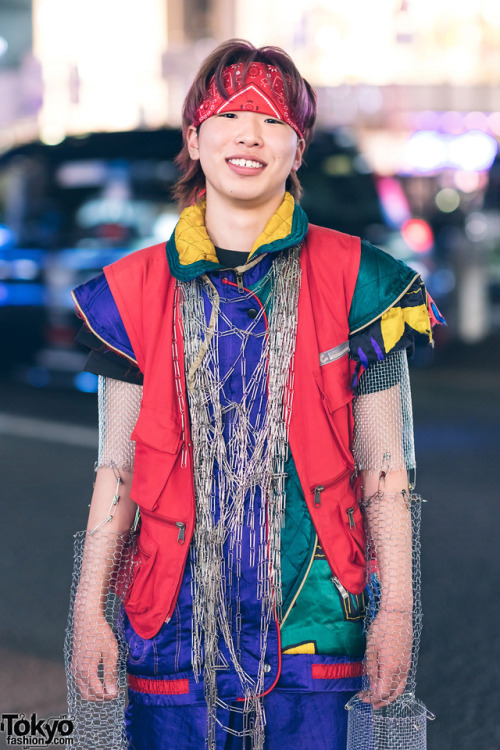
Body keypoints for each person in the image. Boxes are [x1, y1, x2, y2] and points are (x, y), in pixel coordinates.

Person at [67, 39, 443, 750]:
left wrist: (395, 613)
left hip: (316, 620)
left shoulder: (364, 282)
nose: (250, 135)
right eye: (232, 115)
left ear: (297, 150)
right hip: (170, 618)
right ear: (194, 138)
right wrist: (90, 609)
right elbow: (115, 470)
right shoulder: (132, 293)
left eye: (275, 122)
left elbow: (386, 471)